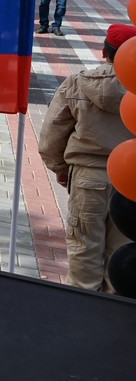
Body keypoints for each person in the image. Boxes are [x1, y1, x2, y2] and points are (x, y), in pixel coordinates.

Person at [38, 24, 136, 291]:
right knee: (123, 254)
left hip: (88, 177)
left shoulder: (79, 83)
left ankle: (83, 306)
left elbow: (52, 134)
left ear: (104, 51)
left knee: (84, 250)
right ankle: (115, 306)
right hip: (131, 185)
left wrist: (60, 168)